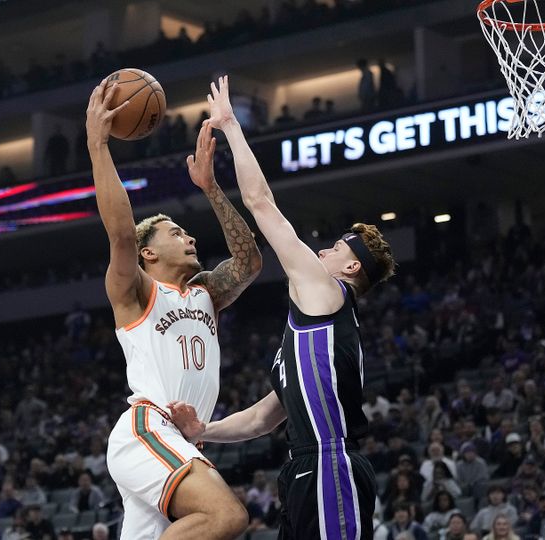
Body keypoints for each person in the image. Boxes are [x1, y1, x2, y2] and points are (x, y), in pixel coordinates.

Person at [168, 75, 396, 540]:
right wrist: (202, 431)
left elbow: (260, 202)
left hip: (331, 465)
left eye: (335, 248)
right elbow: (260, 419)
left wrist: (231, 126)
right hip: (301, 472)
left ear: (351, 267)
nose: (323, 251)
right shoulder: (309, 330)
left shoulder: (328, 293)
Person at [85, 77, 262, 539]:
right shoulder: (135, 290)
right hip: (149, 427)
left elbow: (249, 262)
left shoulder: (206, 291)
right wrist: (97, 145)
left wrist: (210, 188)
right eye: (177, 233)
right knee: (227, 517)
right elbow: (121, 234)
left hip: (178, 438)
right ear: (148, 253)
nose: (191, 237)